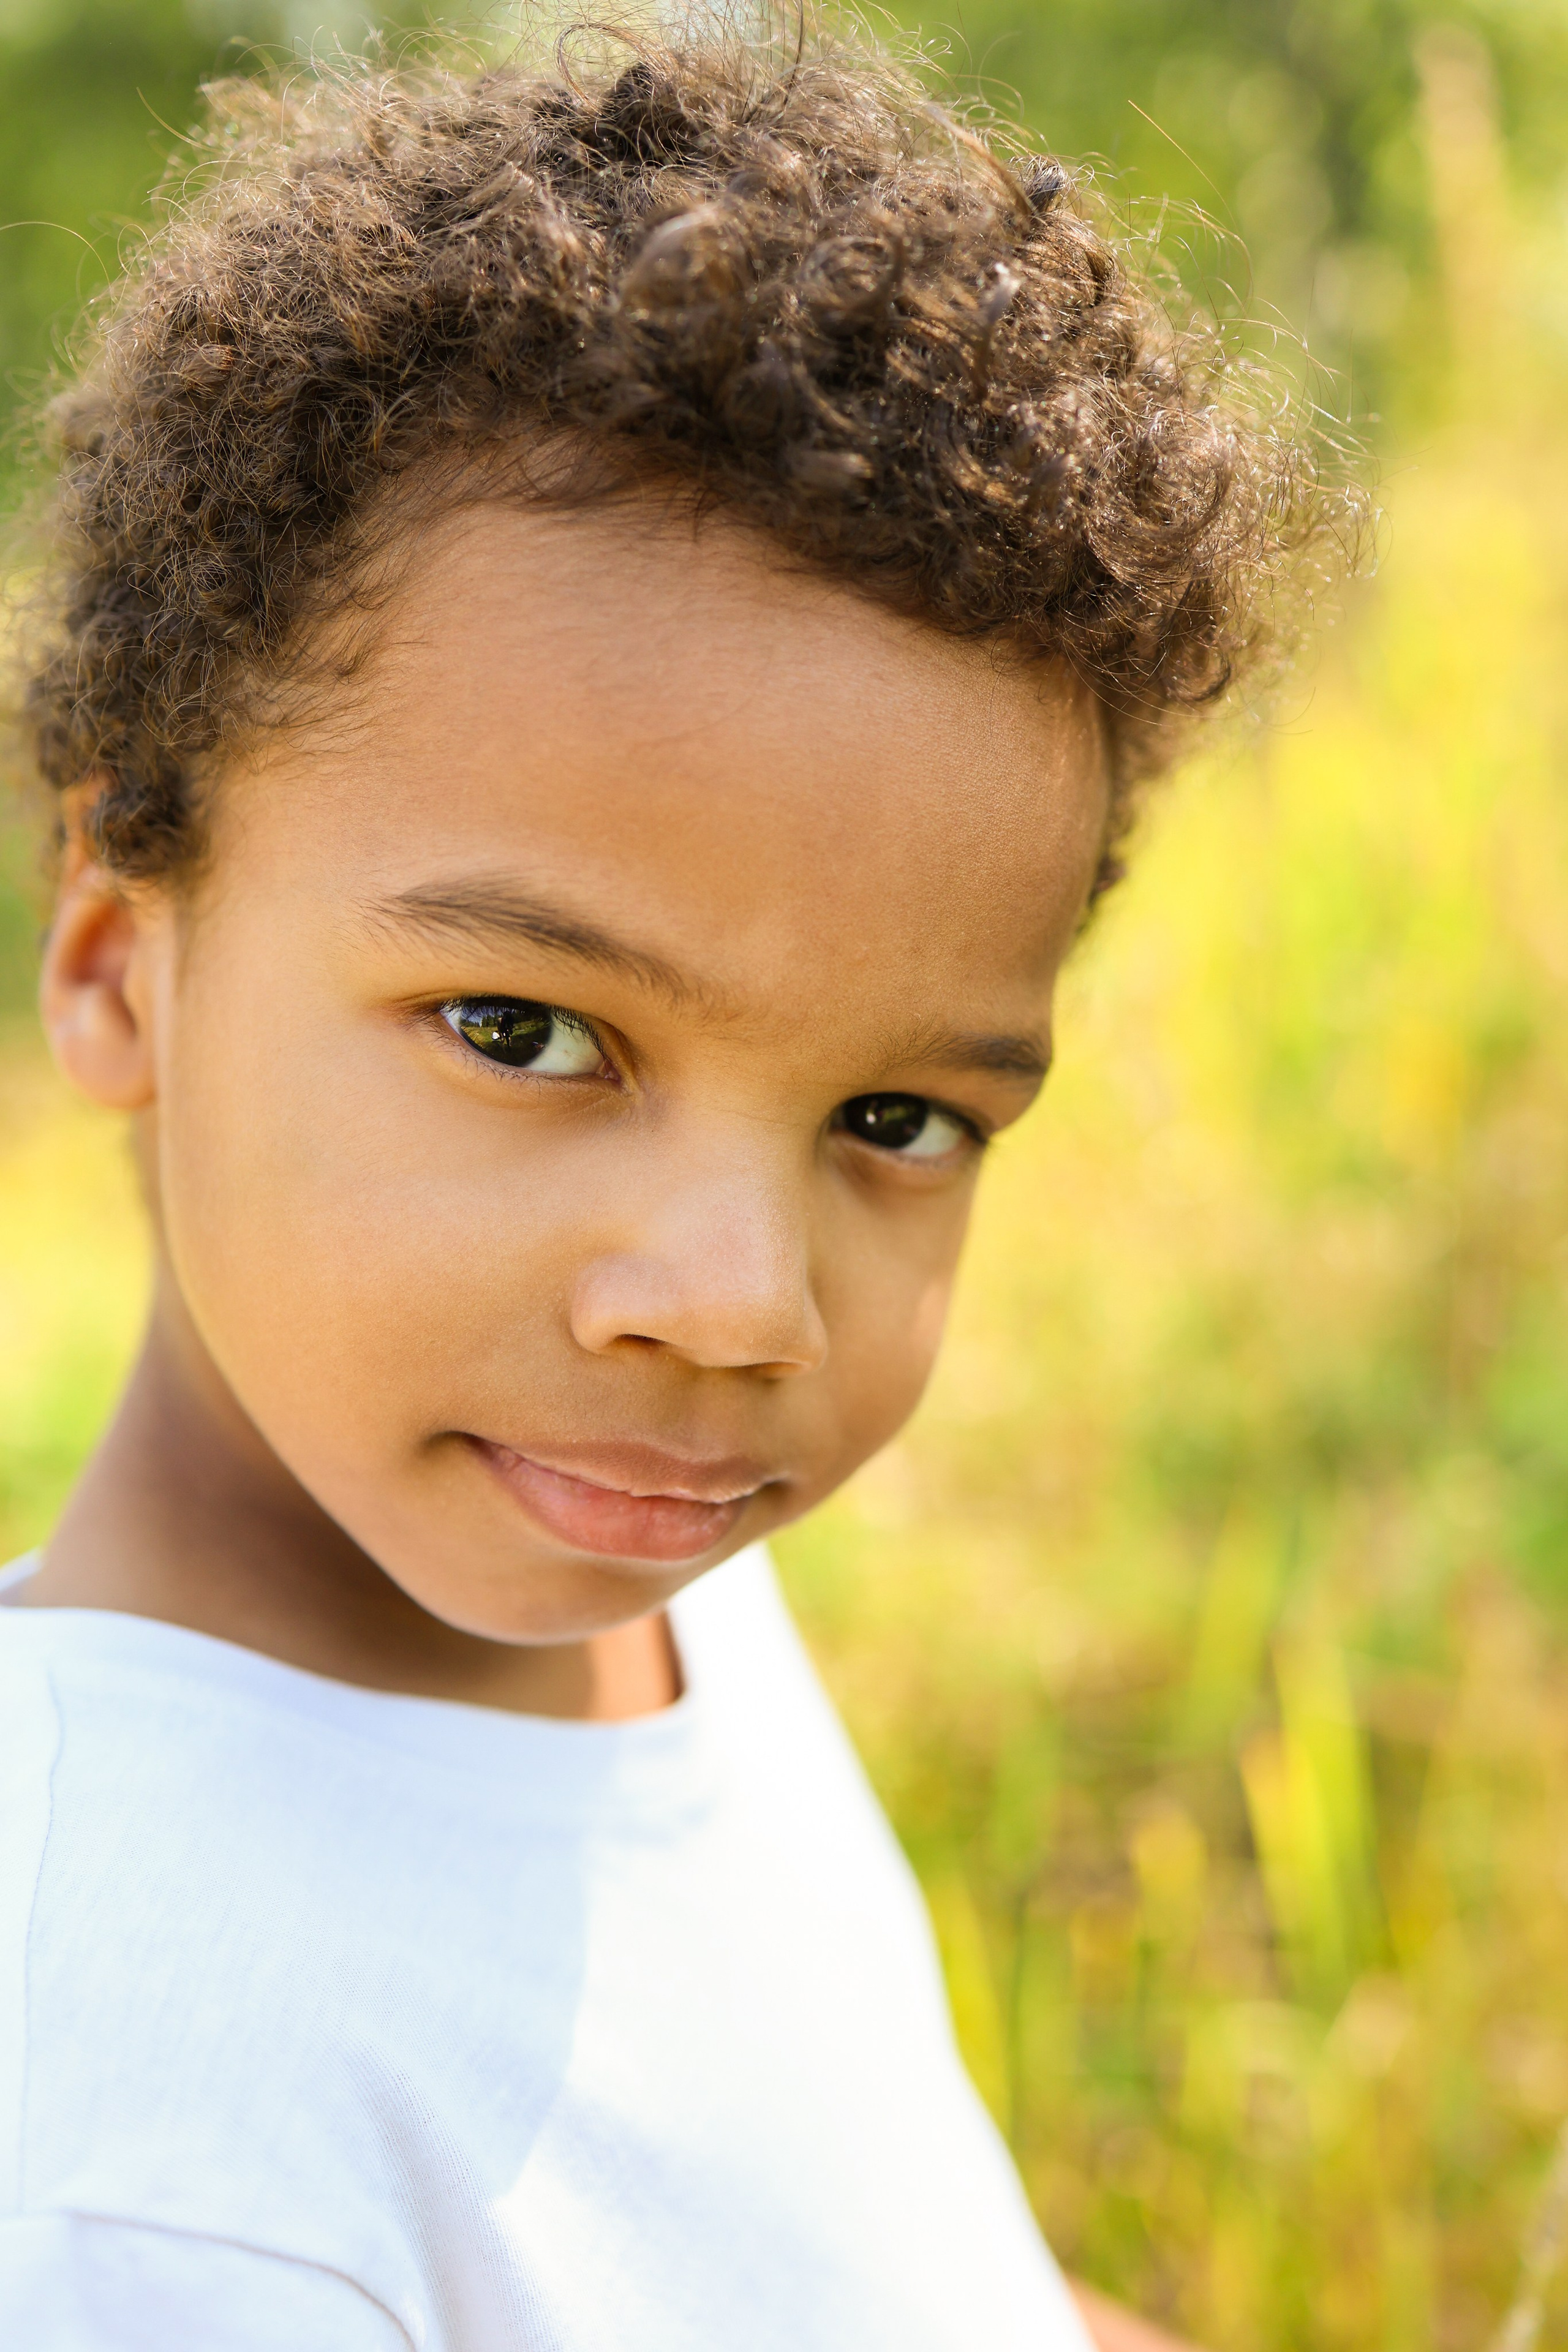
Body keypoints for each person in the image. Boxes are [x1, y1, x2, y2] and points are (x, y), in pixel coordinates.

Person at [0, 17, 1348, 2348]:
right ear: (123, 961)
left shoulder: (636, 1581)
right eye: (527, 1036)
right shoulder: (125, 2139)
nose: (744, 1306)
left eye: (896, 1122)